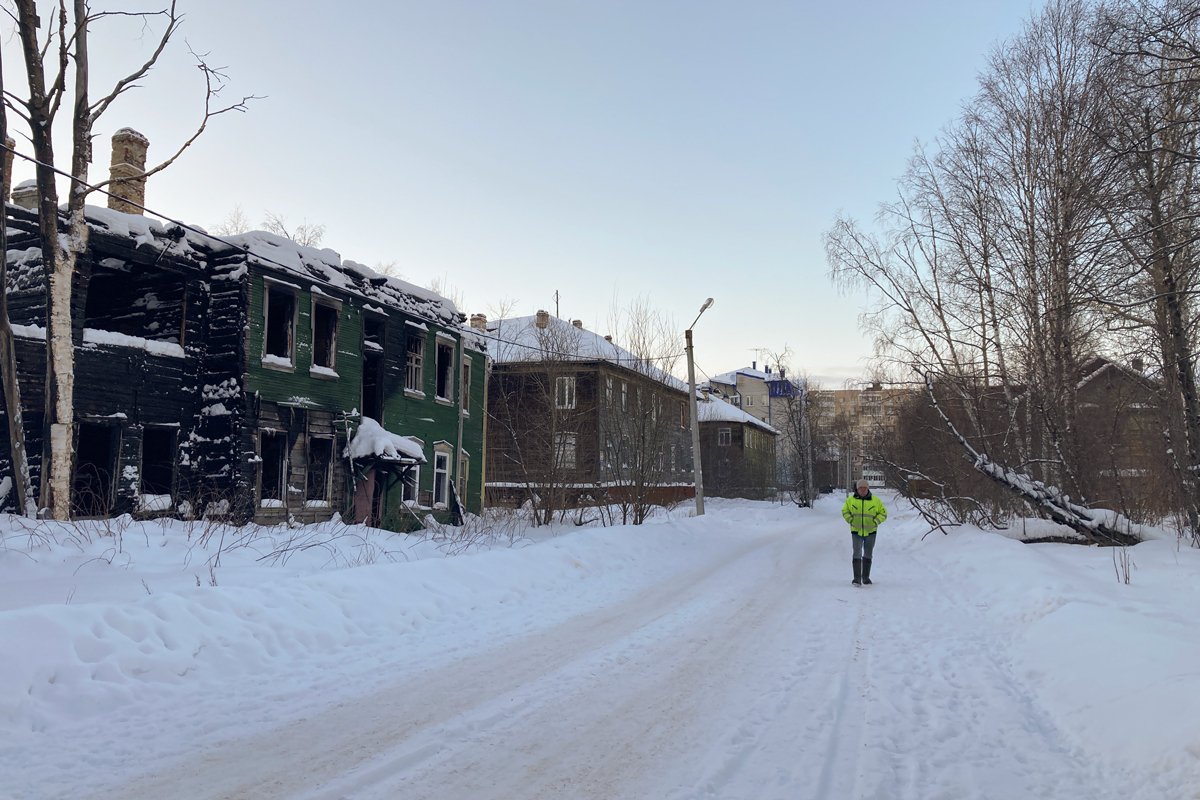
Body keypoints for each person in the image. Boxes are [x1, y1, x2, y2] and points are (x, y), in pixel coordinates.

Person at [841, 478, 887, 586]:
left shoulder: (876, 500)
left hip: (871, 532)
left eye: (864, 488)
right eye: (860, 488)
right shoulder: (850, 500)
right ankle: (857, 579)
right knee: (856, 553)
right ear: (857, 489)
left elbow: (883, 513)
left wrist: (876, 521)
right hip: (856, 532)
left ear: (867, 488)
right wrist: (850, 520)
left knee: (868, 554)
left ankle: (866, 578)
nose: (863, 490)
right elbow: (845, 511)